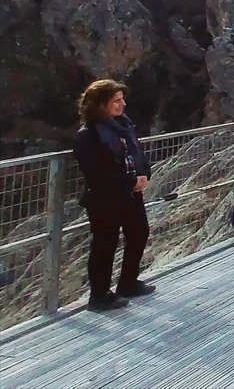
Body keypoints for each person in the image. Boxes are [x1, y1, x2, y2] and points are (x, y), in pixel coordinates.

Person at [72, 79, 154, 311]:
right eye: (116, 100)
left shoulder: (124, 127)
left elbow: (137, 154)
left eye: (122, 99)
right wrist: (131, 181)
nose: (122, 104)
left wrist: (144, 175)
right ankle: (99, 295)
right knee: (105, 244)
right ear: (100, 104)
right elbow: (97, 172)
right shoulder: (87, 135)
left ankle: (128, 283)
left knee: (139, 233)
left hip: (130, 194)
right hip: (104, 199)